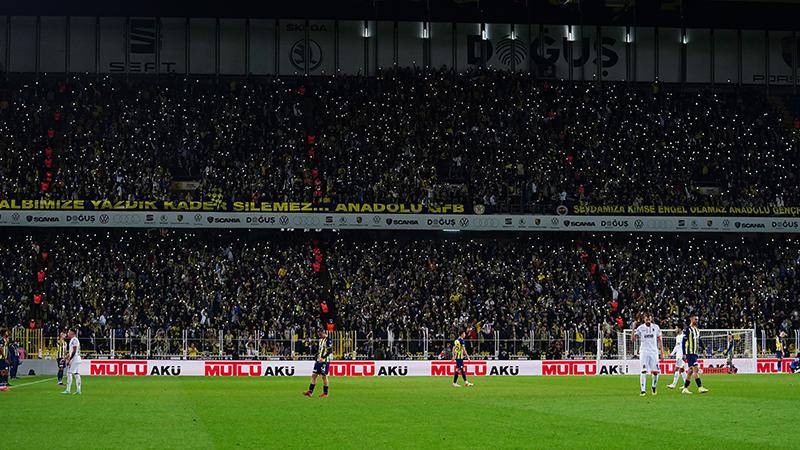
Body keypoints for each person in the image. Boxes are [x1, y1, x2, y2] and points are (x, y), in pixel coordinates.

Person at [632, 312, 663, 396]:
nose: (648, 319)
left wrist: (662, 353)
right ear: (644, 319)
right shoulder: (640, 328)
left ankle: (653, 387)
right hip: (644, 351)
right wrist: (633, 328)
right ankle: (643, 391)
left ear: (651, 319)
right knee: (643, 371)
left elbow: (660, 340)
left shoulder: (656, 327)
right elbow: (633, 339)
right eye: (646, 318)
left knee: (655, 372)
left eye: (649, 318)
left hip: (654, 352)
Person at [681, 314, 709, 394]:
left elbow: (699, 341)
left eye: (697, 319)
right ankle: (700, 387)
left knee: (690, 371)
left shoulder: (697, 330)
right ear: (691, 319)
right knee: (696, 369)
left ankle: (685, 388)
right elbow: (683, 342)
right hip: (690, 353)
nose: (697, 321)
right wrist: (684, 353)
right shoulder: (687, 330)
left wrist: (703, 349)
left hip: (695, 353)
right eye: (695, 319)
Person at [303, 329, 332, 398]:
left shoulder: (328, 340)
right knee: (314, 375)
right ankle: (310, 392)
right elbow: (320, 350)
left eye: (320, 333)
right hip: (319, 361)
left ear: (324, 333)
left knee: (324, 376)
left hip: (325, 361)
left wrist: (323, 357)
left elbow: (329, 350)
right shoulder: (321, 340)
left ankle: (325, 393)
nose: (319, 334)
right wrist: (317, 356)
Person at [62, 329, 82, 395]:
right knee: (76, 374)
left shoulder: (74, 340)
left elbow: (74, 351)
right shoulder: (73, 340)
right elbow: (71, 352)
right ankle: (78, 390)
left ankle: (68, 390)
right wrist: (65, 358)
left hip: (75, 359)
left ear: (72, 333)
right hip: (77, 359)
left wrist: (70, 359)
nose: (68, 333)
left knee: (69, 373)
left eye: (69, 332)